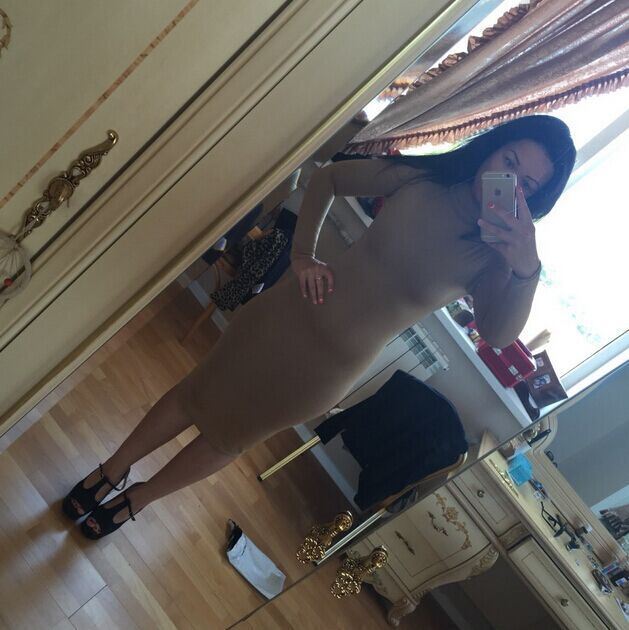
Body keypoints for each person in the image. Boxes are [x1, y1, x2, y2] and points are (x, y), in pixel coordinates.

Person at [62, 114, 576, 539]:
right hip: (282, 316)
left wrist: (526, 266)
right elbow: (329, 178)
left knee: (229, 438)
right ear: (494, 148)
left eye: (527, 184)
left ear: (536, 200)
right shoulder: (423, 178)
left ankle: (139, 499)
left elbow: (499, 334)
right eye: (510, 161)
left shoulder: (496, 260)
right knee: (195, 393)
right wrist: (303, 255)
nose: (510, 180)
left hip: (328, 371)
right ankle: (112, 470)